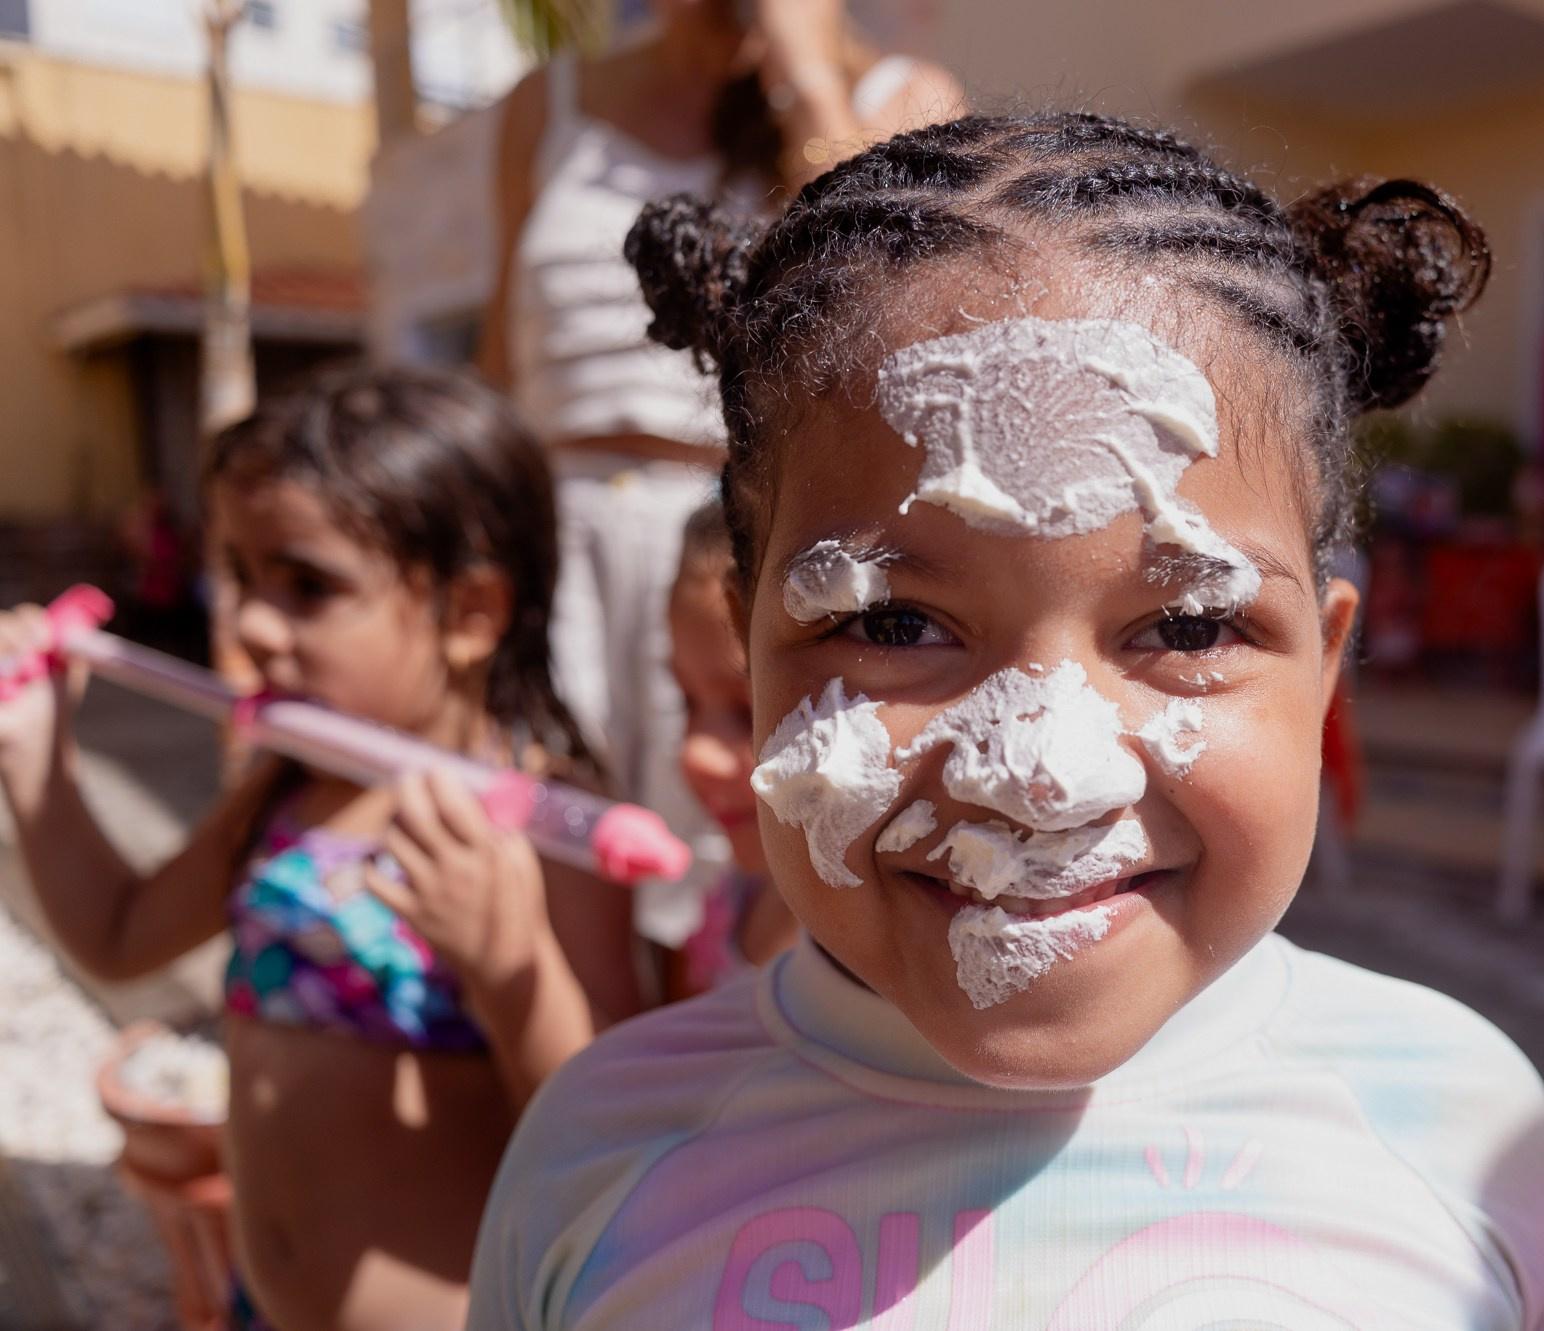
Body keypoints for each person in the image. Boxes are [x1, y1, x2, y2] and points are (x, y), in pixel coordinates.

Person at [466, 111, 1544, 1329]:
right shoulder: (599, 1152)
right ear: (746, 655)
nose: (1044, 776)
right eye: (894, 624)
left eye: (1187, 628)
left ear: (1325, 671)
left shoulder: (1462, 1131)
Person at [0, 364, 644, 1331]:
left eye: (308, 585)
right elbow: (119, 935)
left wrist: (510, 968)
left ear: (471, 613)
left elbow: (610, 1142)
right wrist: (36, 760)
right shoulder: (288, 788)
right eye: (244, 574)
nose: (251, 623)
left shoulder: (548, 828)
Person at [479, 0, 962, 944]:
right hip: (557, 540)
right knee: (558, 879)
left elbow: (899, 289)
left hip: (740, 546)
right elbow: (503, 354)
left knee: (747, 886)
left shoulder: (896, 95)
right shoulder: (551, 101)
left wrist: (799, 65)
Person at [661, 499, 796, 997]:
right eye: (686, 701)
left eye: (747, 711)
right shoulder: (733, 898)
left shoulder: (869, 965)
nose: (695, 753)